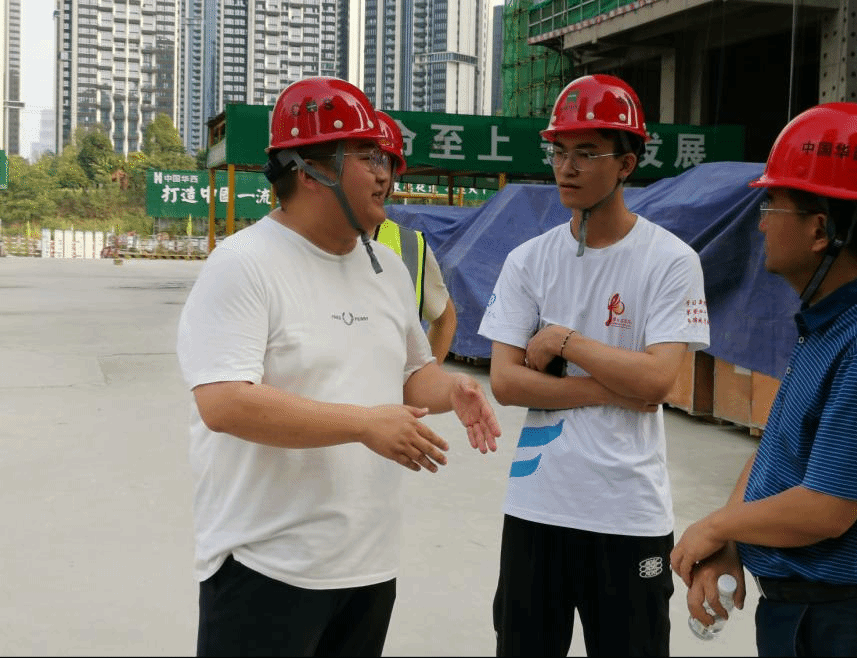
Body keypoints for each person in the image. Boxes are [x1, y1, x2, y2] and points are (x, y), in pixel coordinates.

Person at [176, 76, 501, 657]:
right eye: (368, 157)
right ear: (309, 170)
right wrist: (363, 423)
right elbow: (223, 402)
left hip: (368, 567)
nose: (385, 174)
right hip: (266, 566)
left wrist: (452, 389)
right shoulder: (244, 264)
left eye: (386, 159)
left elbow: (412, 375)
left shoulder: (387, 267)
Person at [669, 102, 857, 657]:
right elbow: (777, 453)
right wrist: (734, 539)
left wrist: (716, 527)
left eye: (772, 205)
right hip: (809, 614)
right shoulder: (830, 324)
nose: (762, 223)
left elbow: (827, 509)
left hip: (852, 628)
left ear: (820, 230)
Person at [478, 74, 711, 656]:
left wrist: (564, 341)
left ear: (627, 163)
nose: (567, 167)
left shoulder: (670, 261)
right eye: (559, 152)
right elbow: (505, 382)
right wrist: (608, 390)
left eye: (586, 153)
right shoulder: (528, 261)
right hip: (537, 505)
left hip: (627, 513)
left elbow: (659, 379)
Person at [373, 109, 458, 363]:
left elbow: (445, 319)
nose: (378, 175)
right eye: (367, 160)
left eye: (384, 162)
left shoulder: (411, 246)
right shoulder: (307, 241)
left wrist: (424, 377)